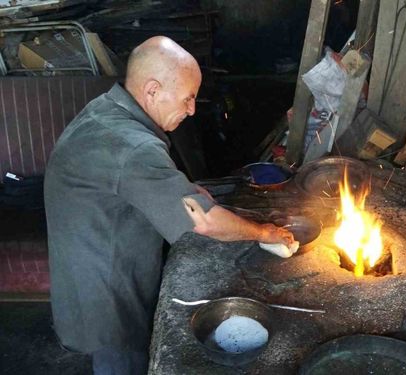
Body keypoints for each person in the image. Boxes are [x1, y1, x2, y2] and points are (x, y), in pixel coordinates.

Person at [44, 36, 294, 375]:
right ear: (152, 91)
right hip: (106, 293)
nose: (192, 109)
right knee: (122, 360)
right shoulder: (133, 148)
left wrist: (182, 188)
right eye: (188, 98)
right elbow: (205, 222)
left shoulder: (107, 110)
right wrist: (264, 231)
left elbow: (125, 179)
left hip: (88, 263)